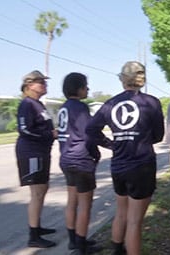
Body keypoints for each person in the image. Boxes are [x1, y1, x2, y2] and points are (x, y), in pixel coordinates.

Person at [86, 61, 165, 255]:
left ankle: (117, 249)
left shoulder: (110, 103)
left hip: (119, 165)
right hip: (142, 165)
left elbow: (90, 130)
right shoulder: (151, 102)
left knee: (121, 211)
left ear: (123, 79)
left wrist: (112, 144)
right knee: (135, 221)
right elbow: (159, 136)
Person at [58, 73, 103, 254]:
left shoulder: (63, 108)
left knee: (72, 200)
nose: (88, 89)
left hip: (66, 158)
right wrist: (96, 153)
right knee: (85, 204)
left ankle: (73, 240)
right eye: (85, 86)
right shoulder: (80, 108)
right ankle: (81, 244)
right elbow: (89, 134)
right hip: (81, 160)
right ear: (78, 88)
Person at [16, 70, 57, 248]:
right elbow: (25, 129)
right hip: (31, 152)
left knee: (43, 188)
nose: (45, 85)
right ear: (29, 85)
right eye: (41, 82)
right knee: (37, 192)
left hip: (41, 151)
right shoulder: (27, 104)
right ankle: (33, 236)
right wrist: (50, 134)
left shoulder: (37, 104)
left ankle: (37, 226)